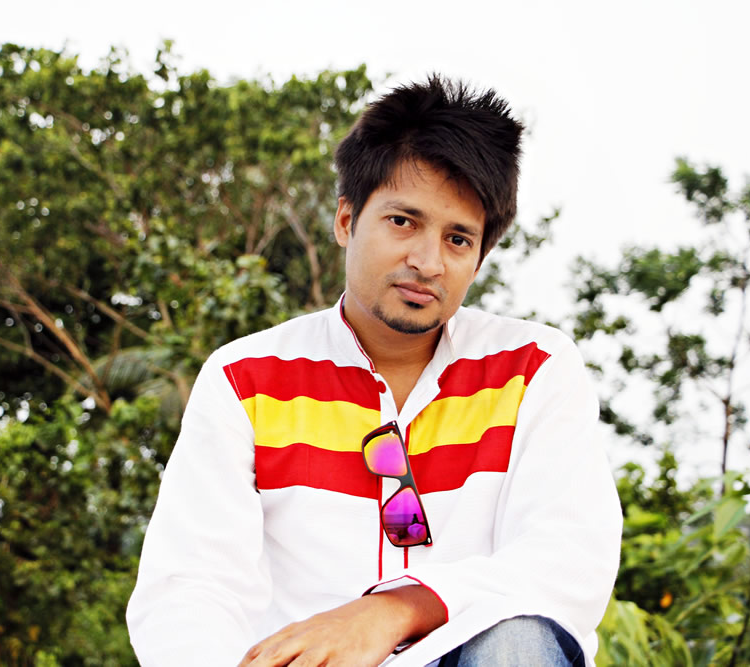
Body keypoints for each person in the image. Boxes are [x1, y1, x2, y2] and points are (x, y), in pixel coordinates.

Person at [126, 75, 622, 666]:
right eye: (402, 221)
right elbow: (190, 587)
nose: (427, 261)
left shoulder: (534, 368)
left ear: (479, 257)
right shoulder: (245, 379)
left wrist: (394, 611)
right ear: (345, 220)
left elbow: (568, 558)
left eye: (458, 239)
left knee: (517, 638)